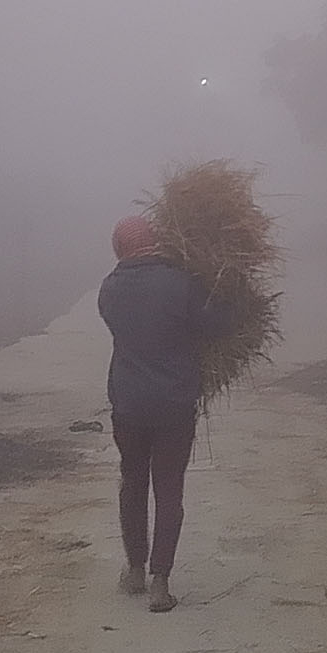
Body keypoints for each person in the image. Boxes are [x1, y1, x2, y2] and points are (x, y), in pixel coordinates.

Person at [97, 212, 234, 612]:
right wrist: (227, 295)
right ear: (153, 240)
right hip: (174, 404)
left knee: (133, 482)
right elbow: (214, 326)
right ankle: (161, 582)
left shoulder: (109, 290)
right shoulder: (179, 283)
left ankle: (135, 569)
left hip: (128, 404)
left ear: (120, 247)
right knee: (169, 487)